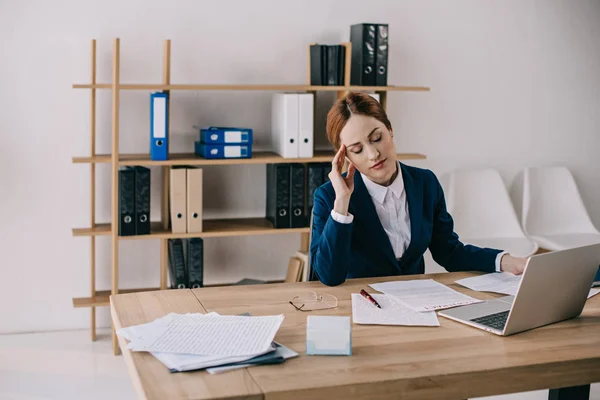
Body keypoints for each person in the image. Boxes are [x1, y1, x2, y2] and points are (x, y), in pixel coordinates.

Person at [309, 92, 527, 286]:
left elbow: (448, 251)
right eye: (357, 150)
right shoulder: (329, 197)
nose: (373, 154)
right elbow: (330, 276)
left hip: (416, 301)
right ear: (345, 157)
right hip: (360, 304)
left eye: (377, 138)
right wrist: (342, 203)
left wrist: (503, 260)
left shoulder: (425, 183)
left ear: (390, 131)